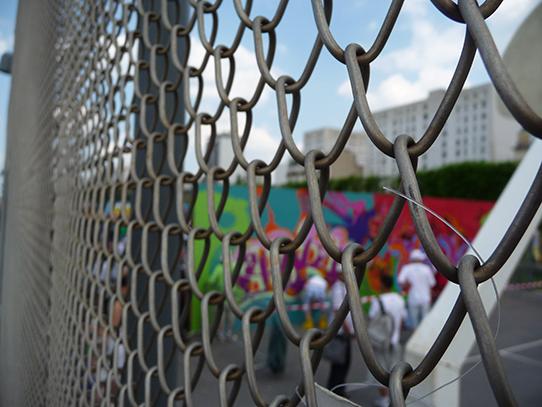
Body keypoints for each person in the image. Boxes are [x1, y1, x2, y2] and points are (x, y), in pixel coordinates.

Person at [369, 274, 407, 407]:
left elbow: (372, 317)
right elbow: (402, 320)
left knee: (381, 372)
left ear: (382, 284)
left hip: (381, 342)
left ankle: (384, 400)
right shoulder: (399, 299)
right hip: (395, 341)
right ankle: (394, 398)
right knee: (394, 372)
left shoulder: (378, 300)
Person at [326, 271, 353, 397]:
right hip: (340, 332)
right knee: (341, 362)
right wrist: (348, 329)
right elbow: (338, 311)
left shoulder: (343, 287)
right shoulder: (338, 288)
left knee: (341, 362)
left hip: (342, 331)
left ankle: (336, 387)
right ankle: (336, 388)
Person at [398, 249, 436, 329]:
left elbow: (401, 281)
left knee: (414, 324)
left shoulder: (406, 268)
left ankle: (416, 339)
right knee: (426, 322)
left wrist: (407, 285)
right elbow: (432, 284)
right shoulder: (426, 269)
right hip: (425, 299)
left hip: (413, 299)